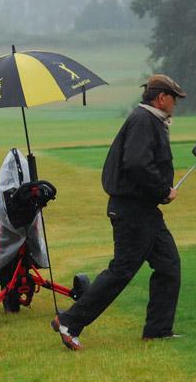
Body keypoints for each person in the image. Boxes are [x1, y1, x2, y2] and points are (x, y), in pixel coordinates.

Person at [51, 74, 186, 350]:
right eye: (174, 98)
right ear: (161, 98)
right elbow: (137, 164)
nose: (175, 104)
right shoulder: (144, 121)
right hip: (133, 210)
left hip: (144, 210)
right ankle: (69, 321)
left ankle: (158, 330)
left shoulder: (148, 120)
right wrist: (163, 191)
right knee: (122, 270)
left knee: (168, 265)